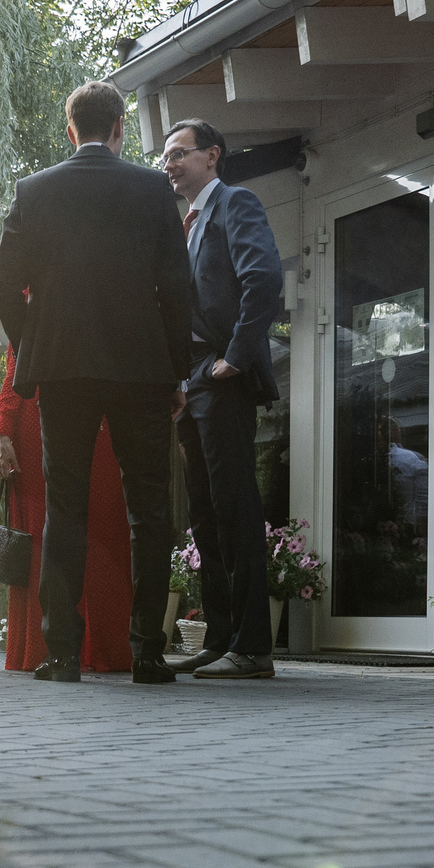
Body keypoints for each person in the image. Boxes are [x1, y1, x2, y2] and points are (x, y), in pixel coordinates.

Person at [0, 81, 195, 685]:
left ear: (71, 129)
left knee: (65, 507)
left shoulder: (34, 192)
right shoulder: (154, 189)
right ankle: (148, 651)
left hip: (62, 370)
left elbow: (6, 290)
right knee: (150, 510)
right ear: (119, 128)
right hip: (141, 368)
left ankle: (60, 654)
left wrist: (35, 346)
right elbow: (176, 288)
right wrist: (176, 369)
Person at [158, 117, 282, 679]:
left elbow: (263, 281)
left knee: (234, 507)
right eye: (165, 156)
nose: (169, 164)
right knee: (204, 514)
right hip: (189, 382)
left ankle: (254, 646)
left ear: (213, 155)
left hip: (222, 375)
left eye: (180, 153)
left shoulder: (236, 204)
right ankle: (223, 635)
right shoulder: (180, 223)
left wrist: (235, 355)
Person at [0, 350, 137, 672]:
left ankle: (96, 647)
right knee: (50, 530)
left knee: (99, 527)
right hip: (43, 417)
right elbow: (17, 360)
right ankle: (57, 646)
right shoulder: (33, 297)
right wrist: (5, 429)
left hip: (97, 412)